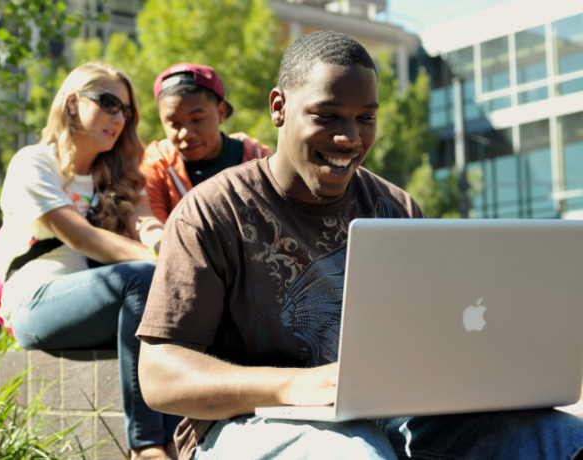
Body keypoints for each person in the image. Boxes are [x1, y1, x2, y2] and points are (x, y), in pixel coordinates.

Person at [135, 31, 583, 460]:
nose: (350, 136)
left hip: (390, 423)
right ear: (279, 107)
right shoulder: (212, 211)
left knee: (559, 438)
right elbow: (159, 377)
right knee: (349, 450)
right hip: (243, 428)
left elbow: (441, 336)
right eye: (327, 115)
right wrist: (291, 387)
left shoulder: (395, 207)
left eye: (365, 118)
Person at [0, 62, 181, 460]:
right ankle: (146, 444)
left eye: (127, 111)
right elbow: (83, 238)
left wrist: (172, 247)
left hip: (101, 306)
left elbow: (145, 223)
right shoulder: (33, 164)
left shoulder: (118, 176)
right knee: (145, 279)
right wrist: (165, 265)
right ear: (71, 103)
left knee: (171, 293)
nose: (119, 118)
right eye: (109, 103)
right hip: (35, 303)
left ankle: (175, 441)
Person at [141, 63, 273, 228]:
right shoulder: (156, 164)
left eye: (198, 119)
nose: (185, 133)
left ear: (221, 112)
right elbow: (153, 225)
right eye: (174, 123)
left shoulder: (260, 160)